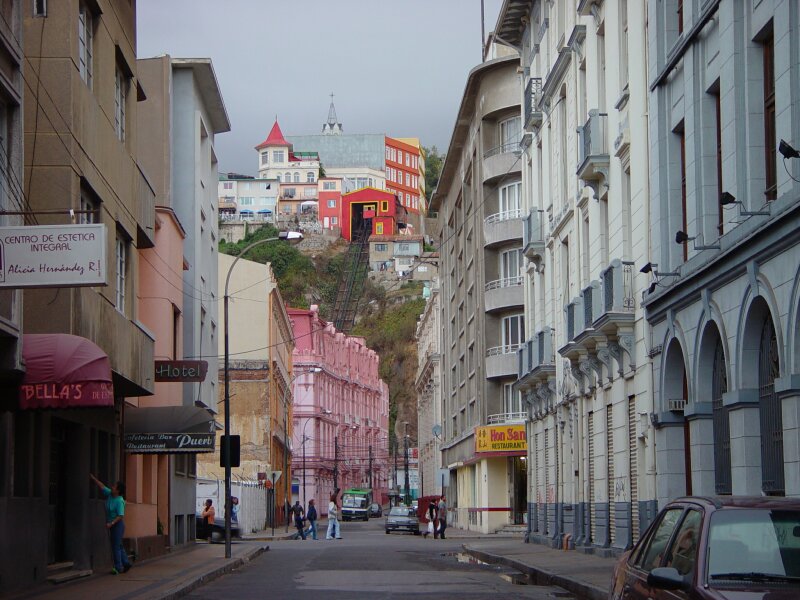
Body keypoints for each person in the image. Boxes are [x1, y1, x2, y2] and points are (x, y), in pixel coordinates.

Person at [90, 474, 133, 574]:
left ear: (118, 491)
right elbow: (102, 486)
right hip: (112, 524)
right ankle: (126, 562)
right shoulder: (110, 494)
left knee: (115, 546)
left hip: (117, 525)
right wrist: (93, 478)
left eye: (114, 486)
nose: (112, 487)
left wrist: (111, 523)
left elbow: (120, 515)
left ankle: (118, 567)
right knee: (119, 545)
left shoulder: (119, 501)